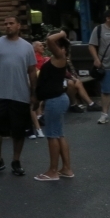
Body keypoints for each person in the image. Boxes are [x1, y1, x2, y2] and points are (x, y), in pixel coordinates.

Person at [0, 16, 38, 177]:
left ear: (18, 26)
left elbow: (32, 71)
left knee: (18, 130)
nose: (7, 26)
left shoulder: (27, 47)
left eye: (11, 23)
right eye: (5, 23)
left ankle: (16, 160)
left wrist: (34, 94)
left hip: (19, 94)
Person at [34, 29, 74, 181]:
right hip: (57, 99)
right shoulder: (55, 58)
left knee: (52, 135)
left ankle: (52, 171)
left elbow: (50, 40)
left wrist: (63, 33)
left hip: (55, 100)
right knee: (59, 134)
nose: (49, 44)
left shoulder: (60, 56)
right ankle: (66, 169)